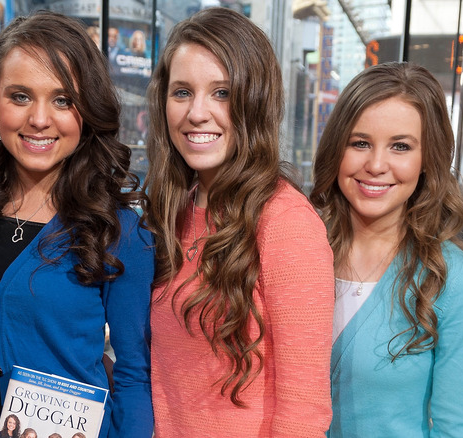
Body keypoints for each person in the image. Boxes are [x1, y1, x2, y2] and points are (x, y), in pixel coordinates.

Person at [0, 10, 153, 438]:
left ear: (88, 111)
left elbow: (133, 373)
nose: (40, 119)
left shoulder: (119, 230)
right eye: (20, 96)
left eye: (63, 100)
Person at [143, 7, 334, 437]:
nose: (197, 113)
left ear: (255, 100)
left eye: (222, 93)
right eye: (181, 92)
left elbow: (304, 412)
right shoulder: (172, 212)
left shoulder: (287, 223)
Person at [310, 61, 463, 436]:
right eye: (360, 143)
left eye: (400, 146)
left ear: (428, 160)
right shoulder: (299, 252)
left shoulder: (454, 280)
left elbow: (459, 429)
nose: (376, 164)